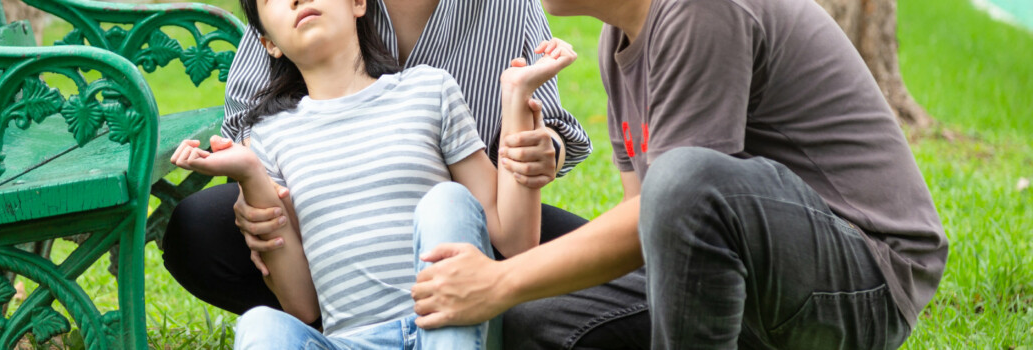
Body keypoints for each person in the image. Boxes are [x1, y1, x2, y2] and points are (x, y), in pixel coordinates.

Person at [410, 0, 949, 349]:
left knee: (681, 179)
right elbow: (644, 226)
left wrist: (498, 283)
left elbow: (673, 197)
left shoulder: (699, 9)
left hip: (864, 278)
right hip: (750, 278)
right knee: (536, 319)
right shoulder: (616, 41)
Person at [163, 0, 655, 348]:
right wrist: (254, 182)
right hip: (345, 319)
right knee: (260, 326)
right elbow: (301, 307)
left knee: (447, 201)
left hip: (464, 237)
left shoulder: (430, 90)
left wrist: (525, 126)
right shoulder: (273, 135)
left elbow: (514, 230)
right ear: (266, 41)